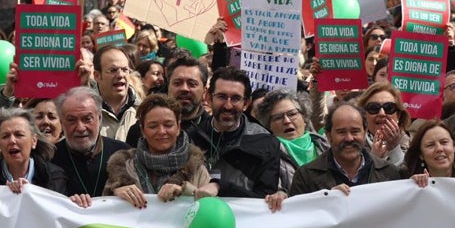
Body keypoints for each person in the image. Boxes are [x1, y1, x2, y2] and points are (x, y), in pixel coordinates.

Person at [186, 67, 281, 199]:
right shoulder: (190, 138)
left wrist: (221, 187)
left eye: (236, 98)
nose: (228, 106)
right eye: (222, 97)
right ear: (208, 97)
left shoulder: (266, 143)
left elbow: (265, 200)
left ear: (246, 103)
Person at [106, 93, 215, 207]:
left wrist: (185, 191)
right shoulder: (124, 167)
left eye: (168, 125)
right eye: (153, 126)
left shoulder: (196, 167)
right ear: (143, 130)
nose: (162, 131)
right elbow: (105, 210)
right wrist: (116, 194)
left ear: (178, 127)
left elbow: (210, 208)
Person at [282, 102, 400, 200]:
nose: (349, 138)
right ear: (328, 136)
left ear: (365, 132)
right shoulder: (305, 177)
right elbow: (298, 220)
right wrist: (323, 201)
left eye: (355, 131)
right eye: (341, 132)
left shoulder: (389, 173)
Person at [52, 88, 129, 204]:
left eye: (87, 119)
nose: (80, 128)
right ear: (62, 123)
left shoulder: (124, 154)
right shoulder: (48, 158)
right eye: (71, 120)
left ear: (99, 118)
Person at [0, 107, 68, 193]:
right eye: (5, 136)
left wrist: (31, 192)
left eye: (19, 134)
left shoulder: (54, 177)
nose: (12, 140)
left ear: (33, 141)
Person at [257, 90, 329, 191]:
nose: (287, 121)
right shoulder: (266, 155)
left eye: (292, 114)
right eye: (278, 118)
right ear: (269, 126)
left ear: (304, 117)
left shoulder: (326, 146)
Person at [357, 83, 412, 166]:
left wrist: (394, 149)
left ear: (398, 115)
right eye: (373, 108)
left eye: (389, 108)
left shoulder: (413, 144)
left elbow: (408, 174)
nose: (382, 113)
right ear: (364, 114)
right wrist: (374, 158)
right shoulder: (354, 143)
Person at [91, 46, 139, 141]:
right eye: (113, 70)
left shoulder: (143, 111)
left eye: (125, 70)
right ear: (97, 76)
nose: (120, 75)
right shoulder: (85, 112)